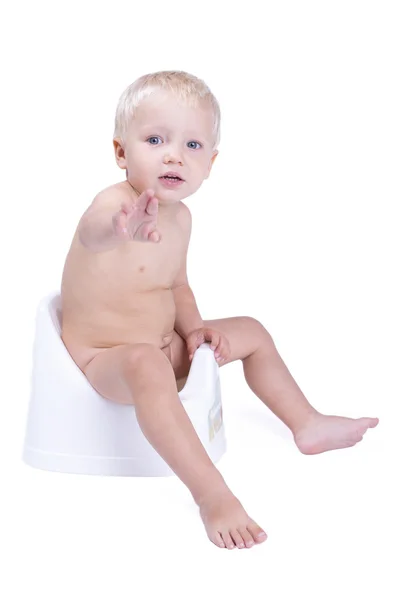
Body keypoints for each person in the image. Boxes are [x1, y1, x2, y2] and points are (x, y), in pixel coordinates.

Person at [60, 70, 379, 550]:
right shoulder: (113, 205)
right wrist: (121, 228)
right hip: (105, 359)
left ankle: (306, 422)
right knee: (145, 362)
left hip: (160, 345)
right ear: (121, 152)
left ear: (209, 164)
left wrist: (192, 331)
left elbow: (178, 286)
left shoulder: (181, 218)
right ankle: (212, 494)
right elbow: (92, 233)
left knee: (250, 329)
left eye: (192, 146)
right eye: (155, 139)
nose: (174, 154)